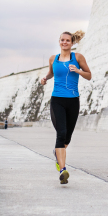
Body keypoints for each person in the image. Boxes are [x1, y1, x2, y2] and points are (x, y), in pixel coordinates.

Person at [41, 31, 91, 184]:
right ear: (59, 41)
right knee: (61, 133)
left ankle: (58, 153)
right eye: (62, 40)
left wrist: (78, 71)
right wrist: (45, 78)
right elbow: (51, 73)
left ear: (72, 43)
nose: (64, 42)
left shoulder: (78, 58)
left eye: (67, 40)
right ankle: (63, 171)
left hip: (73, 101)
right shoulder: (53, 59)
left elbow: (89, 75)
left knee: (67, 138)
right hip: (57, 100)